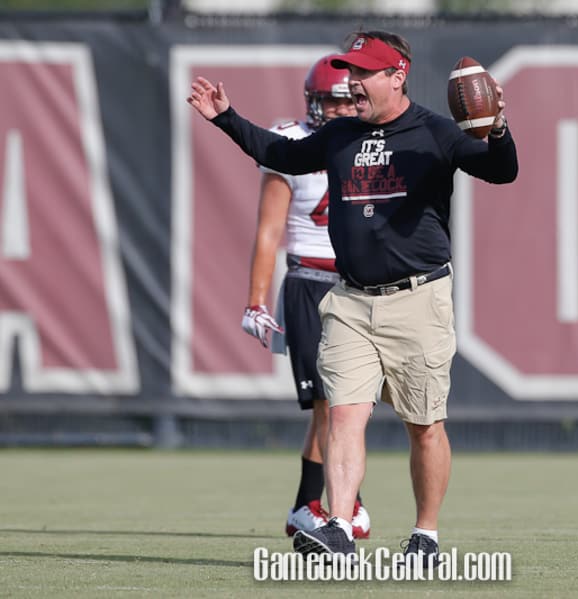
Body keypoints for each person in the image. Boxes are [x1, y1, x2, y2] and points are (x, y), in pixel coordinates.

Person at [188, 29, 518, 564]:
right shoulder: (340, 136)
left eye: (365, 73)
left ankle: (426, 535)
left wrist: (498, 129)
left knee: (425, 426)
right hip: (349, 302)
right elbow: (281, 154)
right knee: (342, 415)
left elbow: (501, 171)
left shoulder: (433, 132)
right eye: (352, 72)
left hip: (417, 298)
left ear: (398, 74)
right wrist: (226, 117)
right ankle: (338, 524)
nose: (354, 82)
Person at [239, 55, 371, 540]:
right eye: (329, 102)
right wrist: (256, 298)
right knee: (330, 402)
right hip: (310, 281)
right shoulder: (291, 141)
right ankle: (330, 502)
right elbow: (268, 231)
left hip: (358, 283)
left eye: (345, 101)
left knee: (349, 401)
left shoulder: (372, 140)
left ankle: (317, 502)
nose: (337, 111)